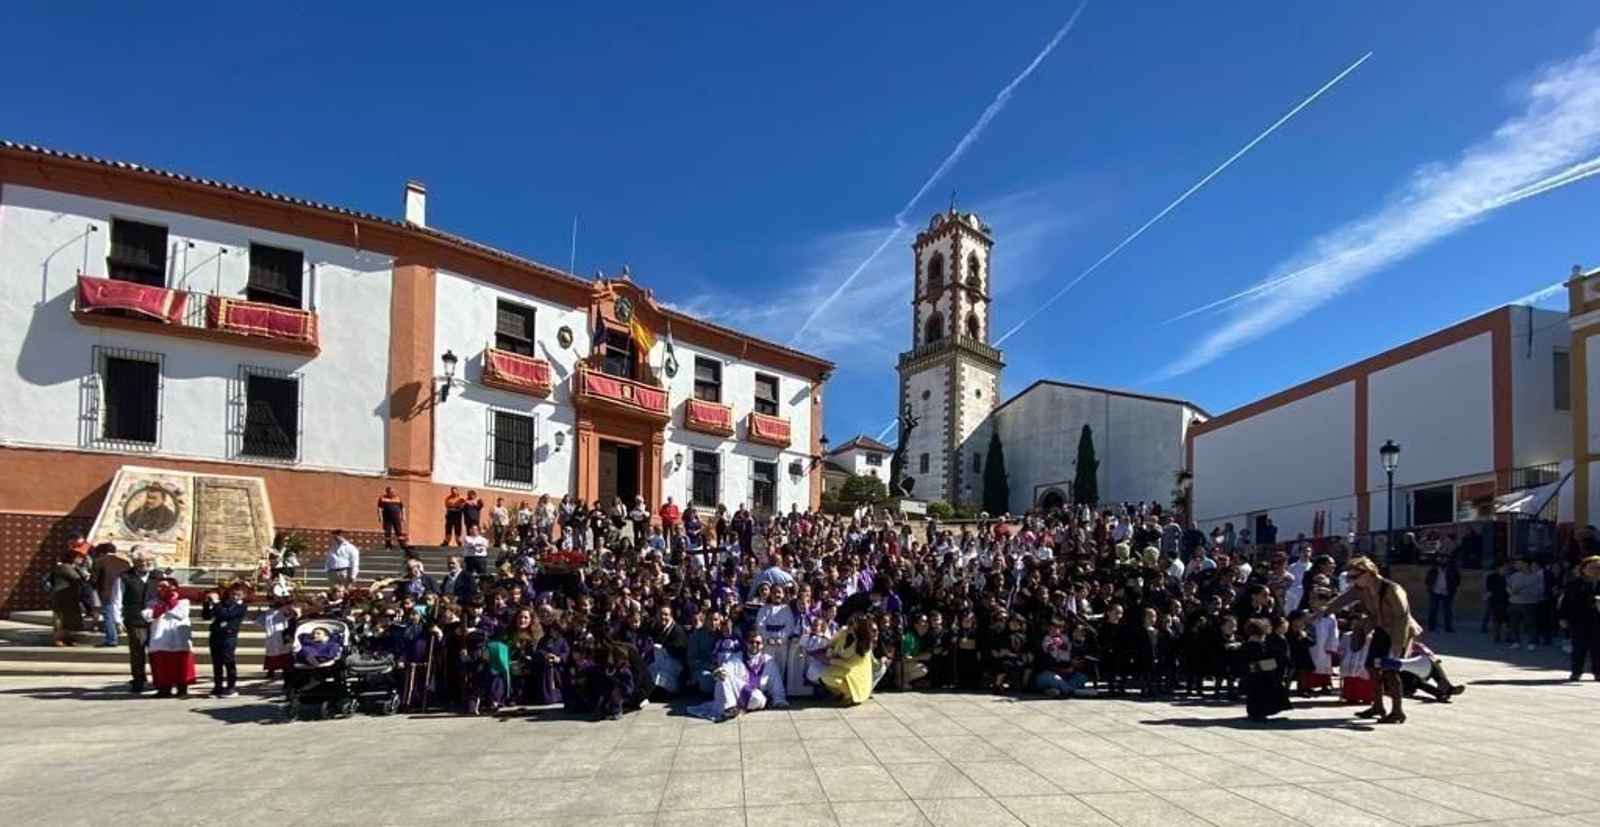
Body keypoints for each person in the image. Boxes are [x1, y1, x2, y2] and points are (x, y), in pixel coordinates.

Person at [1321, 556, 1421, 724]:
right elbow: (1342, 599)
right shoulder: (1360, 589)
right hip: (1381, 629)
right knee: (1371, 667)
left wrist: (1396, 648)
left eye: (1354, 576)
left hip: (1399, 632)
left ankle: (1397, 712)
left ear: (1368, 573)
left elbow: (1402, 619)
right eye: (1349, 577)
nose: (1351, 580)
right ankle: (1378, 706)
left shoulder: (1392, 589)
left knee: (1390, 671)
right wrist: (1322, 611)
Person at [115, 547, 163, 693]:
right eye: (142, 561)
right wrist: (118, 619)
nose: (146, 563)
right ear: (134, 562)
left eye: (148, 560)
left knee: (157, 651)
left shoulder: (158, 575)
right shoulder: (124, 577)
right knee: (137, 650)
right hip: (135, 618)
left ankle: (159, 679)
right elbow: (116, 599)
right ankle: (139, 679)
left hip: (156, 619)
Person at [143, 576, 196, 698]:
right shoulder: (153, 602)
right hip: (160, 638)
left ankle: (182, 688)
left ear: (173, 587)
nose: (160, 589)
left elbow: (181, 614)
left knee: (181, 664)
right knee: (162, 664)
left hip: (178, 638)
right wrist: (162, 606)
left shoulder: (183, 601)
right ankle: (164, 689)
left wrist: (170, 602)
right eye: (159, 587)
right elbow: (148, 615)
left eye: (164, 586)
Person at [819, 615, 877, 705]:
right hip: (843, 666)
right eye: (848, 624)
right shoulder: (845, 634)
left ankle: (849, 694)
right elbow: (832, 643)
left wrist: (829, 661)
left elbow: (850, 664)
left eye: (851, 625)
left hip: (855, 671)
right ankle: (841, 693)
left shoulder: (863, 644)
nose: (848, 627)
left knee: (827, 676)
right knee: (824, 674)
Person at [201, 583, 248, 697]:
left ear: (243, 596)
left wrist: (217, 603)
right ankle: (218, 686)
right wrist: (207, 602)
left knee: (228, 661)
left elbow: (226, 615)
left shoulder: (241, 607)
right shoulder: (223, 604)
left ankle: (231, 686)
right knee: (217, 662)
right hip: (216, 635)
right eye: (233, 594)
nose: (235, 597)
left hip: (229, 637)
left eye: (238, 595)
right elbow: (207, 616)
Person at [1560, 555, 1600, 681]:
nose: (1595, 570)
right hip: (1579, 620)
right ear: (1583, 569)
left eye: (1598, 567)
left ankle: (1598, 672)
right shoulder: (1574, 584)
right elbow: (1565, 602)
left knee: (1598, 648)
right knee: (1578, 647)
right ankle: (1576, 671)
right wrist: (1563, 617)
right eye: (1592, 567)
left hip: (1598, 621)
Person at [88, 543, 130, 647]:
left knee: (108, 616)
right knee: (120, 613)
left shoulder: (99, 561)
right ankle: (121, 631)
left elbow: (94, 579)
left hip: (107, 592)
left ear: (101, 552)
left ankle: (111, 639)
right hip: (124, 592)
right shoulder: (125, 562)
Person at [49, 547, 87, 647]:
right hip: (62, 597)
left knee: (69, 620)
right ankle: (58, 639)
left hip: (70, 597)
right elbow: (77, 578)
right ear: (72, 558)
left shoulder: (73, 567)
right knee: (60, 619)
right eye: (79, 557)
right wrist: (86, 575)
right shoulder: (65, 567)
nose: (81, 560)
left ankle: (67, 639)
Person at [1425, 556, 1460, 633]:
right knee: (1433, 610)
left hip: (1447, 593)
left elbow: (1457, 581)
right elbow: (1427, 580)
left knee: (1447, 611)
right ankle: (1431, 627)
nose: (1443, 569)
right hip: (1435, 592)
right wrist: (1430, 588)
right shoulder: (1433, 571)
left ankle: (1448, 627)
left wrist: (1451, 588)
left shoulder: (1452, 571)